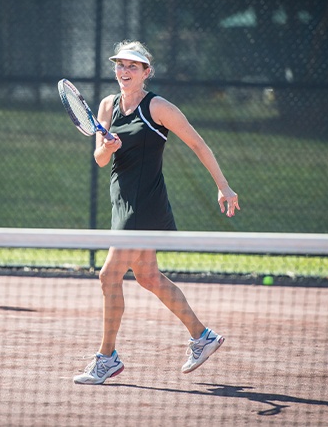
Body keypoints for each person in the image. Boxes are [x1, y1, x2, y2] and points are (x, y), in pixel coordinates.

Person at [73, 41, 240, 385]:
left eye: (133, 66)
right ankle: (202, 336)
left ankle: (107, 358)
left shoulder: (158, 107)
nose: (124, 71)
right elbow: (100, 160)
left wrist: (224, 186)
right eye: (120, 65)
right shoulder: (107, 106)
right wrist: (106, 145)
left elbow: (198, 143)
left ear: (146, 72)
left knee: (108, 276)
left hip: (145, 204)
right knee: (148, 278)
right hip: (121, 199)